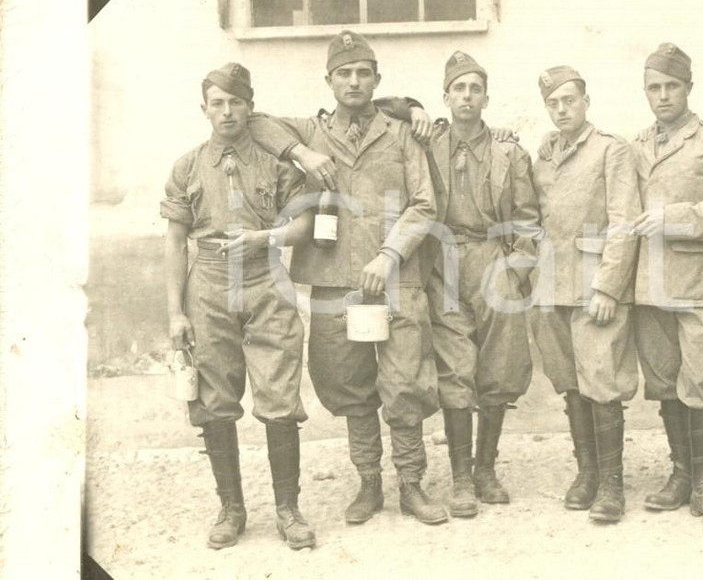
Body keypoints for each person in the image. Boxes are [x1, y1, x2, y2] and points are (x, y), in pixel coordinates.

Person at [246, 31, 447, 525]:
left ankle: (412, 484)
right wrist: (301, 153)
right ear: (329, 81)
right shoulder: (313, 132)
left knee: (404, 381)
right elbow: (253, 121)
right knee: (349, 384)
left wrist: (389, 255)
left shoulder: (400, 133)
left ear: (376, 81)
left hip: (395, 278)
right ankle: (369, 483)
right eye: (344, 73)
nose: (353, 81)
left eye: (363, 73)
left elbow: (425, 204)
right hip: (335, 280)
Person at [161, 63, 316, 550]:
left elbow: (303, 225)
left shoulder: (276, 163)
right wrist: (175, 312)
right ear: (203, 109)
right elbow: (175, 240)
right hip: (206, 285)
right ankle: (231, 507)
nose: (227, 112)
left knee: (280, 399)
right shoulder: (187, 166)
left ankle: (288, 510)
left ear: (250, 106)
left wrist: (264, 236)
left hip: (266, 279)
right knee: (214, 402)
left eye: (236, 102)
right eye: (217, 103)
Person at [629, 43, 703, 528]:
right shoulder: (634, 146)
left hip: (701, 283)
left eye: (671, 87)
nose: (663, 96)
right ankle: (681, 474)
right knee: (664, 382)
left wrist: (673, 218)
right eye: (654, 88)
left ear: (689, 89)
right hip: (649, 284)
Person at [419, 51, 542, 518]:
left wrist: (516, 269)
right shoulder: (427, 145)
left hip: (495, 258)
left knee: (499, 367)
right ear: (445, 97)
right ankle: (461, 477)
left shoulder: (509, 152)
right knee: (455, 368)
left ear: (486, 97)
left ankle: (486, 468)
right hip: (445, 260)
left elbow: (529, 219)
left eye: (474, 88)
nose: (466, 96)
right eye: (458, 88)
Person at [531, 66, 641, 523]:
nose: (562, 109)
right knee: (571, 383)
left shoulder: (611, 150)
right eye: (553, 103)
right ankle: (587, 472)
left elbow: (625, 220)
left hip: (595, 288)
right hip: (551, 288)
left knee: (602, 383)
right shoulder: (542, 157)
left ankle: (613, 484)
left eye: (569, 100)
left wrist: (609, 286)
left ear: (586, 101)